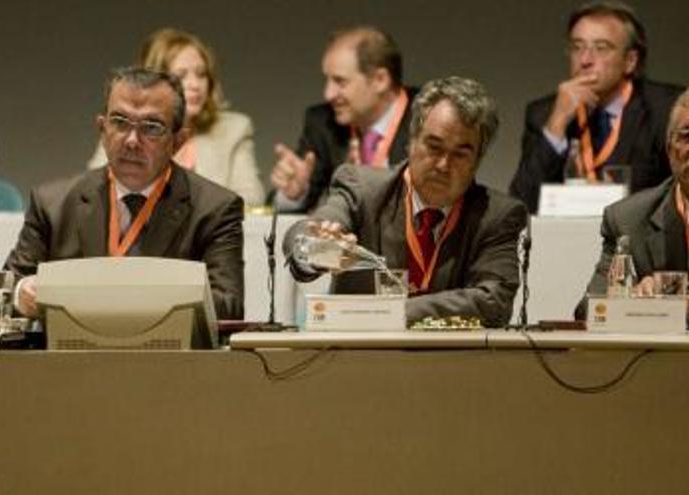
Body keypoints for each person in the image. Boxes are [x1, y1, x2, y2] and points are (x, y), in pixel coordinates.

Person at [283, 77, 527, 327]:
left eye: (460, 154)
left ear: (478, 158)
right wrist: (316, 247)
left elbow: (493, 301)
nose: (444, 165)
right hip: (357, 358)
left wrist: (393, 312)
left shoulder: (498, 215)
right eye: (434, 147)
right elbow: (310, 230)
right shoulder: (362, 189)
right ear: (411, 143)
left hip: (452, 362)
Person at [6, 67, 244, 320]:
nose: (131, 140)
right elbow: (6, 289)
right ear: (102, 129)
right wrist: (21, 294)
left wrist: (132, 298)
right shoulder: (53, 204)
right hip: (73, 354)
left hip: (167, 355)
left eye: (151, 127)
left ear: (178, 141)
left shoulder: (214, 209)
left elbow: (228, 305)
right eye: (119, 122)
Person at [509, 1, 683, 214]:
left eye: (601, 48)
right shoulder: (544, 113)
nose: (585, 60)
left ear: (630, 60)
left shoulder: (666, 110)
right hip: (566, 240)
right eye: (577, 47)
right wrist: (557, 125)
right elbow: (521, 203)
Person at [88, 29, 264, 206]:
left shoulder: (235, 129)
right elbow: (96, 191)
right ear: (154, 81)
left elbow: (252, 198)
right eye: (181, 75)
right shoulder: (124, 126)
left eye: (201, 74)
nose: (195, 84)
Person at [270, 26, 416, 213]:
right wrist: (295, 194)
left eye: (340, 81)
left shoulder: (429, 119)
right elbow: (291, 202)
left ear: (380, 79)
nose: (328, 94)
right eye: (327, 80)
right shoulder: (322, 122)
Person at [575, 88, 689, 319]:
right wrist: (629, 300)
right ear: (670, 151)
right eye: (687, 136)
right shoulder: (628, 219)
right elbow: (588, 312)